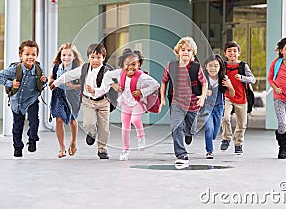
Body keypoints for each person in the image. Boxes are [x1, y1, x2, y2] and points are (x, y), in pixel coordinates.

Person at [50, 43, 113, 159]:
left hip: (103, 102)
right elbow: (69, 75)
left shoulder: (106, 71)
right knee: (88, 124)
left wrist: (96, 91)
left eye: (99, 58)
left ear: (103, 58)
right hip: (88, 101)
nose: (95, 60)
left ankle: (102, 150)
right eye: (92, 57)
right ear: (88, 57)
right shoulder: (84, 68)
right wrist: (55, 83)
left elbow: (107, 87)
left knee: (104, 128)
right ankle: (92, 133)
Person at [100, 48, 160, 161]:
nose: (130, 67)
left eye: (134, 64)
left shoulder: (142, 76)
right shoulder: (120, 73)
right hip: (125, 102)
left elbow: (155, 85)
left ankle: (141, 137)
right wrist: (114, 86)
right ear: (123, 64)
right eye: (127, 64)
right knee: (125, 127)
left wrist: (142, 92)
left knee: (135, 120)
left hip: (137, 102)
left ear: (139, 64)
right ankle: (125, 150)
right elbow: (107, 76)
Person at [0, 40, 47, 158]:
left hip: (32, 99)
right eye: (27, 54)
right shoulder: (15, 69)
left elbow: (44, 81)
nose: (30, 57)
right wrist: (10, 83)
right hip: (17, 101)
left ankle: (32, 139)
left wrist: (44, 81)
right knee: (18, 125)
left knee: (34, 122)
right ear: (21, 55)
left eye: (33, 54)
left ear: (36, 55)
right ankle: (17, 147)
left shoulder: (38, 68)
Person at [160, 37, 207, 165]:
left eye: (189, 50)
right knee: (176, 126)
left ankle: (189, 133)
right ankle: (181, 153)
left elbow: (204, 83)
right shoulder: (171, 66)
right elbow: (164, 82)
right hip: (177, 103)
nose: (185, 52)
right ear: (177, 52)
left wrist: (202, 97)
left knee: (191, 128)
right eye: (183, 49)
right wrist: (163, 98)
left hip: (192, 104)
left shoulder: (196, 68)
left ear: (193, 54)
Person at [220, 41, 256, 155]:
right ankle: (226, 138)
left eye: (235, 51)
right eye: (229, 51)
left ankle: (238, 143)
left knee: (242, 123)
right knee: (225, 117)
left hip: (241, 98)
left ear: (239, 53)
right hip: (228, 96)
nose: (232, 53)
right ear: (225, 54)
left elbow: (252, 79)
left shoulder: (243, 66)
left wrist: (242, 78)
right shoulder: (223, 66)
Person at [49, 43, 83, 158]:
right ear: (60, 56)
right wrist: (51, 81)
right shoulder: (56, 67)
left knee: (72, 120)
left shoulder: (77, 69)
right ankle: (62, 147)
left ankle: (73, 142)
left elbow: (83, 85)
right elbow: (51, 76)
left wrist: (72, 86)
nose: (66, 57)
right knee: (59, 119)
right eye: (64, 55)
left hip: (72, 96)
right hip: (58, 94)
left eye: (69, 55)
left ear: (74, 57)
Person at [200, 54, 235, 159]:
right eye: (210, 66)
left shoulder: (223, 78)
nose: (213, 68)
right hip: (207, 107)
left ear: (220, 67)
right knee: (209, 128)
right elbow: (196, 91)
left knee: (215, 131)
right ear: (206, 66)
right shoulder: (203, 78)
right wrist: (204, 92)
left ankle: (211, 138)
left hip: (219, 107)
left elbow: (232, 94)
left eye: (216, 66)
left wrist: (229, 85)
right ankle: (209, 151)